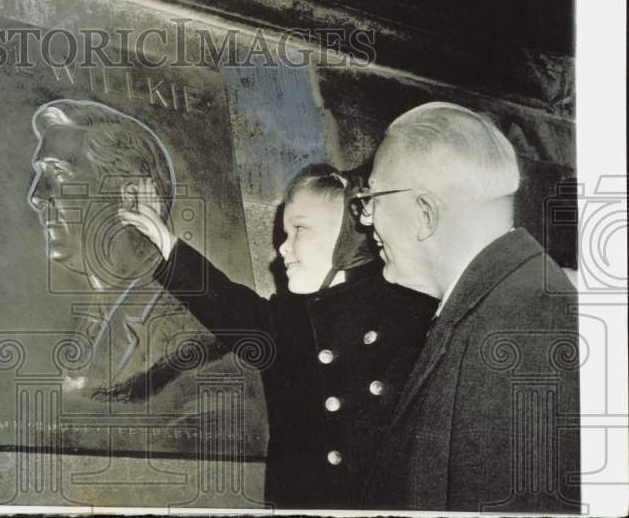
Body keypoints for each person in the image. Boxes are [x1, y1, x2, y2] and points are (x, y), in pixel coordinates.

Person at [120, 163, 438, 508]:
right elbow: (226, 304)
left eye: (299, 229)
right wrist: (165, 240)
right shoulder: (289, 323)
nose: (282, 249)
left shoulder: (413, 312)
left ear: (349, 235)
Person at [357, 102, 580, 512]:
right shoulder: (502, 304)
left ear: (425, 214)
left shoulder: (524, 326)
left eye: (372, 197)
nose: (366, 218)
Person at [26, 98, 251, 413]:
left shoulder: (193, 334)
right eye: (40, 174)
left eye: (59, 174)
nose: (37, 195)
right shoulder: (84, 324)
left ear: (130, 197)